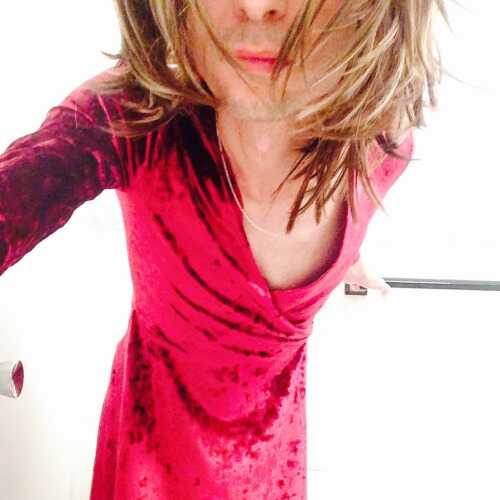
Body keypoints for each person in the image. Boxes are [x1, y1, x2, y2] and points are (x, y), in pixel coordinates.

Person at [0, 1, 446, 498]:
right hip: (156, 449)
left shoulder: (383, 149)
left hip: (274, 450)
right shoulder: (131, 120)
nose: (255, 6)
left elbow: (348, 206)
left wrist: (346, 259)